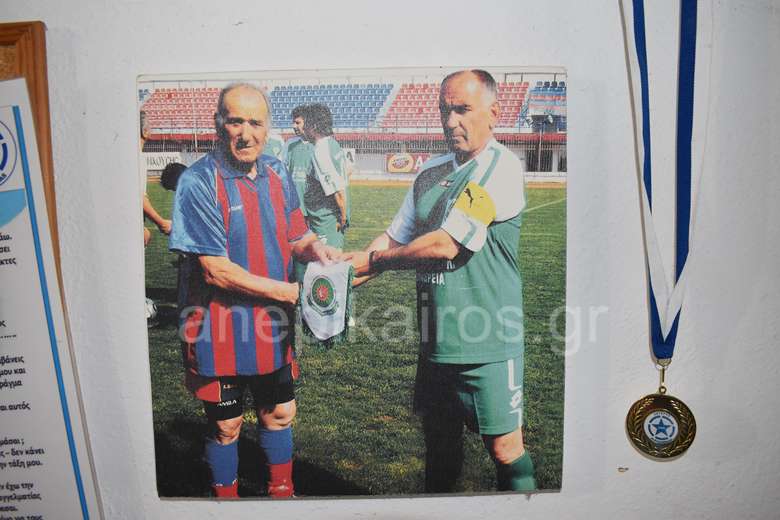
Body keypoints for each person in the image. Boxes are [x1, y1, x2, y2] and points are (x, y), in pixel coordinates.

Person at [345, 70, 536, 493]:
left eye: (463, 110)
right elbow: (393, 238)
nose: (451, 121)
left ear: (494, 113)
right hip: (436, 342)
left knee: (506, 451)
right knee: (440, 445)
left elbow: (445, 245)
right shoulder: (429, 172)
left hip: (488, 341)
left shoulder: (500, 167)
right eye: (444, 110)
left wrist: (374, 261)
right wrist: (339, 278)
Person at [168, 83, 339, 499]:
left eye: (256, 123)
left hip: (271, 327)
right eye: (235, 122)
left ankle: (283, 494)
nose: (246, 134)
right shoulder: (198, 181)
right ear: (218, 124)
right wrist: (291, 293)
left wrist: (317, 249)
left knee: (279, 413)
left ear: (268, 127)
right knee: (226, 426)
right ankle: (226, 502)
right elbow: (217, 272)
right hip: (218, 329)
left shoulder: (277, 172)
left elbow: (297, 235)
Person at [299, 103, 350, 250]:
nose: (303, 129)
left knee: (327, 260)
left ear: (314, 126)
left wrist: (343, 217)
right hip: (328, 216)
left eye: (306, 124)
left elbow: (338, 192)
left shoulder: (320, 151)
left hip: (326, 219)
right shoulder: (332, 143)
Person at [139, 110, 172, 246]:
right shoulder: (138, 159)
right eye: (149, 126)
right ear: (144, 131)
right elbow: (139, 198)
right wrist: (161, 222)